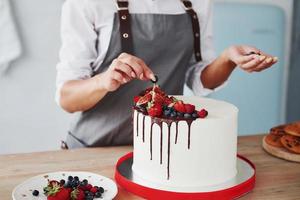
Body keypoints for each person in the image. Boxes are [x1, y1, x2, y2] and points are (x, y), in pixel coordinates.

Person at [56, 0, 277, 148]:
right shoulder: (86, 4)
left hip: (161, 150)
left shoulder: (197, 4)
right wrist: (102, 81)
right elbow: (67, 99)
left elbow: (198, 78)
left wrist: (227, 58)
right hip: (93, 150)